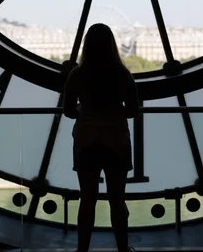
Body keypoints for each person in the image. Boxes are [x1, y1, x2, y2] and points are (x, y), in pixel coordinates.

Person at [63, 23, 139, 252]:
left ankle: (82, 249)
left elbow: (68, 111)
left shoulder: (78, 74)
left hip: (87, 141)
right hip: (116, 140)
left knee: (87, 199)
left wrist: (83, 112)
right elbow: (133, 110)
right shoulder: (121, 74)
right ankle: (123, 249)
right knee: (117, 199)